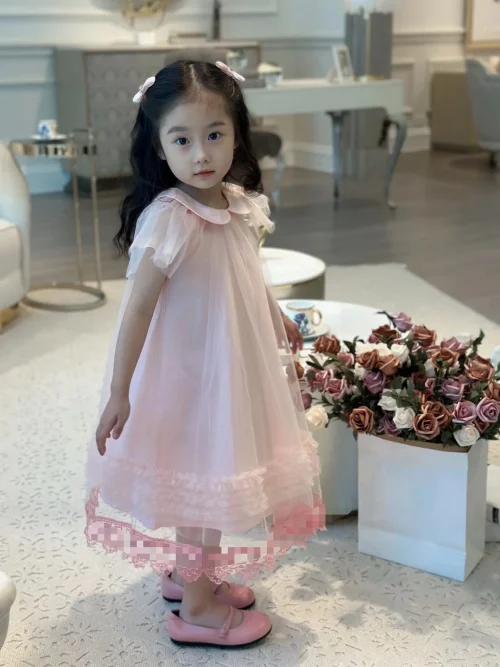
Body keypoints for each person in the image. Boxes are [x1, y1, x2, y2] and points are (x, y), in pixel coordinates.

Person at [84, 59, 325, 649]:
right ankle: (196, 608)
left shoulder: (238, 204)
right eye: (182, 140)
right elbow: (136, 310)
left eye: (214, 135)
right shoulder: (171, 219)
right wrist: (119, 391)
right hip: (189, 377)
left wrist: (275, 316)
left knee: (214, 472)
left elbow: (247, 272)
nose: (201, 154)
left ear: (236, 133)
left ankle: (192, 574)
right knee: (203, 478)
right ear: (159, 147)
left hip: (228, 368)